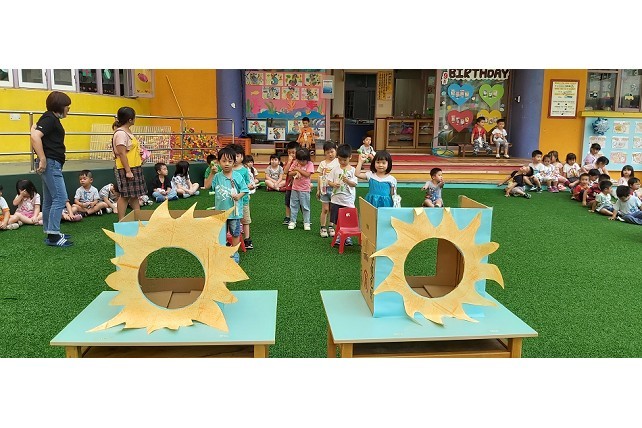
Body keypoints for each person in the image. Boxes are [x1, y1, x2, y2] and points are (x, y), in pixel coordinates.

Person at [30, 91, 73, 247]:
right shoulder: (50, 118)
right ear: (60, 106)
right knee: (60, 198)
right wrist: (42, 158)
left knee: (49, 199)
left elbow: (34, 131)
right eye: (67, 106)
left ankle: (51, 233)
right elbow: (35, 136)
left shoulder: (49, 118)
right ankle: (54, 236)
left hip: (51, 163)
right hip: (51, 163)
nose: (68, 109)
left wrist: (43, 159)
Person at [212, 147, 248, 263]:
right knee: (221, 233)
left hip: (234, 212)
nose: (227, 164)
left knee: (235, 233)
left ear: (234, 162)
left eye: (230, 161)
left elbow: (245, 189)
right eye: (223, 161)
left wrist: (238, 196)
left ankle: (234, 253)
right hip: (221, 212)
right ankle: (222, 252)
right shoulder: (217, 176)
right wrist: (212, 173)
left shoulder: (237, 176)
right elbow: (207, 186)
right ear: (219, 162)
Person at [112, 107, 147, 221]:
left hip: (134, 166)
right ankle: (121, 220)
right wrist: (128, 171)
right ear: (130, 120)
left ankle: (138, 217)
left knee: (134, 194)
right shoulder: (121, 133)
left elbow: (128, 150)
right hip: (126, 168)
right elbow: (122, 153)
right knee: (125, 195)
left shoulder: (127, 131)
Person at [326, 144, 358, 246]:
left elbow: (354, 184)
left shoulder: (353, 170)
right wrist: (333, 184)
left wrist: (347, 181)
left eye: (345, 160)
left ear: (350, 157)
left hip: (348, 200)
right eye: (340, 159)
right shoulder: (335, 169)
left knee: (347, 219)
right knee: (337, 219)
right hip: (336, 199)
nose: (342, 162)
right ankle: (339, 235)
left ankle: (347, 237)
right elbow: (328, 181)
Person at [230, 144, 255, 249]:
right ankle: (229, 238)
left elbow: (248, 183)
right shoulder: (227, 169)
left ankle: (247, 239)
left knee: (245, 220)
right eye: (233, 156)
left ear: (242, 157)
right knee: (230, 220)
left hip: (243, 200)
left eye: (238, 156)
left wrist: (249, 186)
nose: (235, 159)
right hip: (230, 201)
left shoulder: (244, 170)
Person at [287, 148, 314, 230]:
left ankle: (306, 222)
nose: (301, 163)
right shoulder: (295, 162)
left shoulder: (310, 164)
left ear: (307, 159)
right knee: (293, 205)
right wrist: (296, 172)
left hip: (305, 189)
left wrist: (298, 169)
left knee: (305, 206)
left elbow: (307, 174)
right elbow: (290, 173)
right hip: (295, 188)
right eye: (299, 160)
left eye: (303, 161)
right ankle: (292, 221)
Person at [316, 141, 338, 238]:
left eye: (332, 151)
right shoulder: (322, 163)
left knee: (333, 209)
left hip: (335, 189)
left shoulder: (338, 162)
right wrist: (318, 190)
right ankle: (322, 227)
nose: (330, 154)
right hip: (324, 188)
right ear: (324, 152)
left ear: (336, 151)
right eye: (328, 152)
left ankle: (331, 226)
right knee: (325, 209)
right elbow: (319, 177)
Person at [282, 141, 300, 225]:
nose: (291, 155)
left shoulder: (300, 162)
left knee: (301, 202)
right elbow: (285, 171)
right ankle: (288, 216)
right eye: (289, 153)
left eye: (293, 152)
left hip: (299, 186)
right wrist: (289, 162)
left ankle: (305, 218)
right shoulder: (288, 162)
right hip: (289, 186)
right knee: (288, 202)